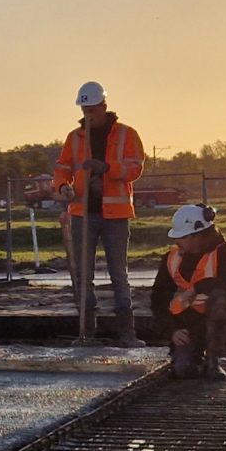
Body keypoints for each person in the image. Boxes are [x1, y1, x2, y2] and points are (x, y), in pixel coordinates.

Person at [52, 81, 144, 346]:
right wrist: (63, 186)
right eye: (85, 110)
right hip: (83, 212)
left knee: (118, 274)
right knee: (83, 275)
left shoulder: (126, 134)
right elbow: (62, 168)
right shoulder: (75, 137)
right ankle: (87, 333)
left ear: (104, 107)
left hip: (115, 215)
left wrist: (106, 167)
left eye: (92, 109)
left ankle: (127, 334)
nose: (88, 114)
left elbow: (135, 168)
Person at [148, 203, 226, 379]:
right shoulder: (171, 258)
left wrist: (197, 288)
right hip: (187, 325)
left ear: (198, 236)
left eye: (182, 237)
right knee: (184, 370)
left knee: (221, 298)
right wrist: (172, 330)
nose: (177, 241)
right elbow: (159, 298)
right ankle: (194, 358)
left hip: (219, 321)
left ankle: (213, 361)